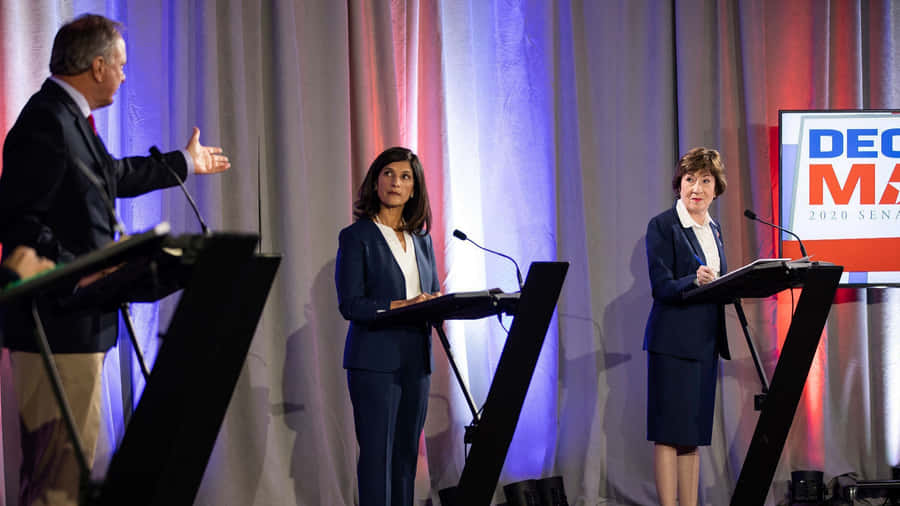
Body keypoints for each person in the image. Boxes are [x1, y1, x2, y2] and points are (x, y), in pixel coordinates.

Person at [0, 13, 230, 506]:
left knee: (70, 470)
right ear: (98, 65)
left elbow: (114, 175)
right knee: (58, 479)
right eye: (121, 66)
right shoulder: (46, 122)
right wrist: (82, 271)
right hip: (55, 325)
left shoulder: (67, 118)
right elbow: (18, 223)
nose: (125, 76)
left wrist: (185, 162)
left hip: (78, 325)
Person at [335, 147, 441, 506]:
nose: (397, 182)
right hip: (374, 363)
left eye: (406, 177)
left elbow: (433, 294)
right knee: (378, 459)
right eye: (389, 174)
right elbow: (351, 305)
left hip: (417, 363)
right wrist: (404, 304)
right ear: (376, 182)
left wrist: (442, 303)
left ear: (415, 189)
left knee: (405, 460)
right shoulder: (356, 236)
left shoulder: (422, 241)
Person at [643, 147, 730, 506]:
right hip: (673, 342)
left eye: (705, 180)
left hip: (704, 342)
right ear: (679, 185)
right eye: (690, 179)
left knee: (692, 435)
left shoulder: (714, 228)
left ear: (716, 187)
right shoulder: (663, 225)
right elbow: (661, 286)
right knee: (668, 433)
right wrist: (691, 280)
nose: (697, 187)